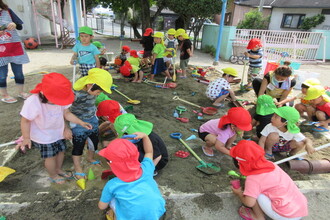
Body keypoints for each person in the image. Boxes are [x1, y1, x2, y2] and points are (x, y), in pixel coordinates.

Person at [18, 73, 91, 184]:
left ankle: (58, 169)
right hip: (43, 135)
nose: (59, 103)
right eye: (56, 100)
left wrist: (80, 122)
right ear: (44, 93)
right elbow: (25, 120)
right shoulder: (33, 101)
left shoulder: (61, 97)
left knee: (61, 151)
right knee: (50, 157)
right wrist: (26, 138)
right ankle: (53, 175)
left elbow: (66, 113)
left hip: (58, 131)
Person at [231, 140, 308, 220]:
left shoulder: (253, 179)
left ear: (240, 164)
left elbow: (249, 203)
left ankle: (258, 217)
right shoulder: (271, 164)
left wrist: (239, 193)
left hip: (286, 216)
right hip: (300, 207)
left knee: (255, 194)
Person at [98, 134, 166, 220]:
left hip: (131, 218)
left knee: (112, 199)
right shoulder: (146, 168)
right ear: (136, 155)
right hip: (157, 213)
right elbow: (149, 152)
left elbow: (102, 206)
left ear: (109, 163)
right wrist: (145, 136)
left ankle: (114, 215)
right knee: (153, 184)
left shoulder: (112, 184)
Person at [70, 68, 113, 179]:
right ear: (89, 85)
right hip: (78, 122)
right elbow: (64, 110)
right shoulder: (75, 94)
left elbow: (102, 99)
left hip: (92, 119)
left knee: (94, 141)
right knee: (78, 145)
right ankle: (78, 168)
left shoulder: (93, 89)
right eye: (98, 92)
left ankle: (90, 158)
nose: (98, 94)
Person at [0, 0, 30, 103]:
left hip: (14, 45)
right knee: (2, 75)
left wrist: (14, 24)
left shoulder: (7, 11)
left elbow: (20, 26)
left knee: (18, 73)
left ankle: (20, 92)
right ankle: (4, 94)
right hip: (1, 49)